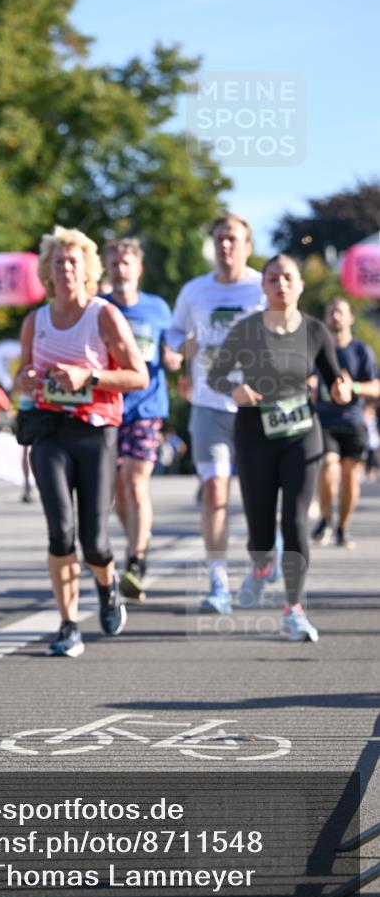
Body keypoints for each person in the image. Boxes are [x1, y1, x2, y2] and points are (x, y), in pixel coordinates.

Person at [16, 226, 148, 657]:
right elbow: (21, 378)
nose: (66, 269)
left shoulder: (103, 315)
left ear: (88, 269)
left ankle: (108, 587)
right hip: (49, 430)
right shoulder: (35, 320)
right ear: (48, 270)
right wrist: (27, 379)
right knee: (60, 532)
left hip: (95, 431)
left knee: (95, 541)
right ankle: (68, 623)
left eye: (74, 261)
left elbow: (138, 376)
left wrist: (87, 376)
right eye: (59, 262)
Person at [208, 255, 351, 642]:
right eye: (273, 278)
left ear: (300, 284)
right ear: (263, 286)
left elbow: (334, 379)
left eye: (288, 278)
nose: (281, 284)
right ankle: (260, 565)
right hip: (254, 435)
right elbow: (215, 375)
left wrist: (341, 389)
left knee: (295, 521)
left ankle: (294, 609)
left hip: (302, 434)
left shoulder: (316, 331)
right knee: (260, 528)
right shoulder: (246, 329)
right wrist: (235, 389)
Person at [167, 214, 265, 614]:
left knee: (261, 496)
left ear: (247, 246)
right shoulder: (195, 290)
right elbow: (174, 331)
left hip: (257, 407)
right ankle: (218, 581)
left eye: (233, 239)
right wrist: (179, 349)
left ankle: (268, 551)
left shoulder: (263, 287)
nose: (226, 245)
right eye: (220, 238)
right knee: (214, 491)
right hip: (209, 405)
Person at [102, 237, 181, 600]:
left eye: (126, 263)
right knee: (118, 490)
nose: (121, 270)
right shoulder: (100, 307)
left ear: (139, 268)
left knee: (135, 483)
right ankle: (138, 538)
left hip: (147, 408)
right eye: (114, 264)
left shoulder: (158, 309)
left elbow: (172, 348)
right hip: (109, 407)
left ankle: (136, 560)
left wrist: (174, 359)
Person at [312, 297, 379, 548]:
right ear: (325, 318)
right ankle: (326, 519)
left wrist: (355, 387)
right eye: (330, 312)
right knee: (328, 466)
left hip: (353, 421)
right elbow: (305, 378)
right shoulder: (317, 350)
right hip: (324, 420)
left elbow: (376, 387)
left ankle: (343, 527)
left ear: (351, 317)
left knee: (350, 478)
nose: (335, 316)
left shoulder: (361, 350)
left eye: (340, 311)